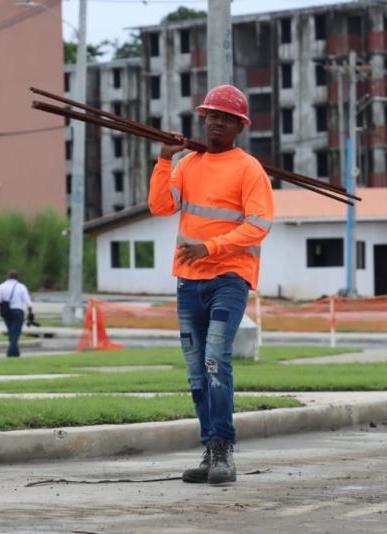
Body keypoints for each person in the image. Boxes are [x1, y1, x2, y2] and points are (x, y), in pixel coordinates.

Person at [147, 85, 275, 485]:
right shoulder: (187, 164)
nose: (215, 123)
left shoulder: (249, 168)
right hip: (188, 281)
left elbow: (258, 225)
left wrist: (211, 247)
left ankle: (223, 449)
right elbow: (160, 206)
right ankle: (209, 451)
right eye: (210, 116)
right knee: (195, 370)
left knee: (216, 359)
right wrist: (165, 159)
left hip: (230, 278)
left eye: (224, 118)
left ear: (239, 125)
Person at [0, 270, 34, 357]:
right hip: (18, 312)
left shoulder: (1, 286)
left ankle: (16, 353)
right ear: (17, 277)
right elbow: (28, 302)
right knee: (15, 333)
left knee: (12, 332)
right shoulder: (21, 287)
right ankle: (10, 353)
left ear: (7, 277)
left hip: (6, 312)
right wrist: (30, 313)